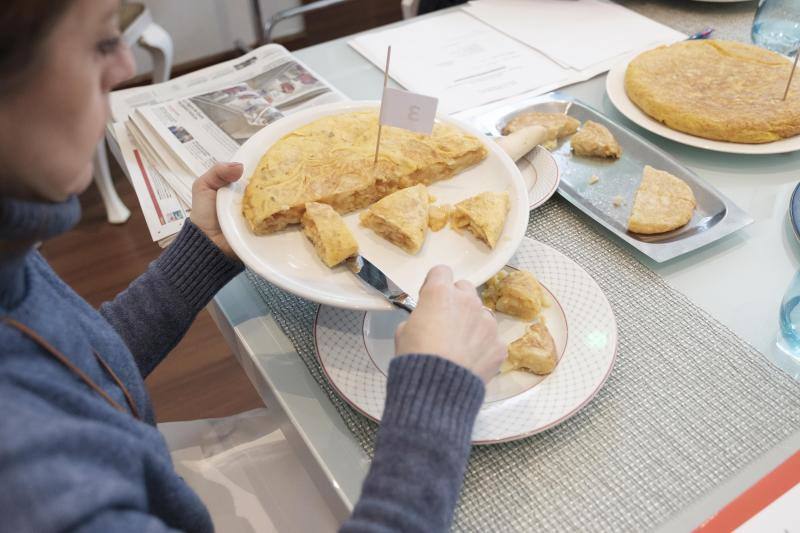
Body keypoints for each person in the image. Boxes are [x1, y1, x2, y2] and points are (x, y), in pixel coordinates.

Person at [0, 1, 506, 532]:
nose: (126, 66)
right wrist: (435, 397)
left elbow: (72, 371)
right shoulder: (33, 487)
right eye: (103, 42)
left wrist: (199, 257)